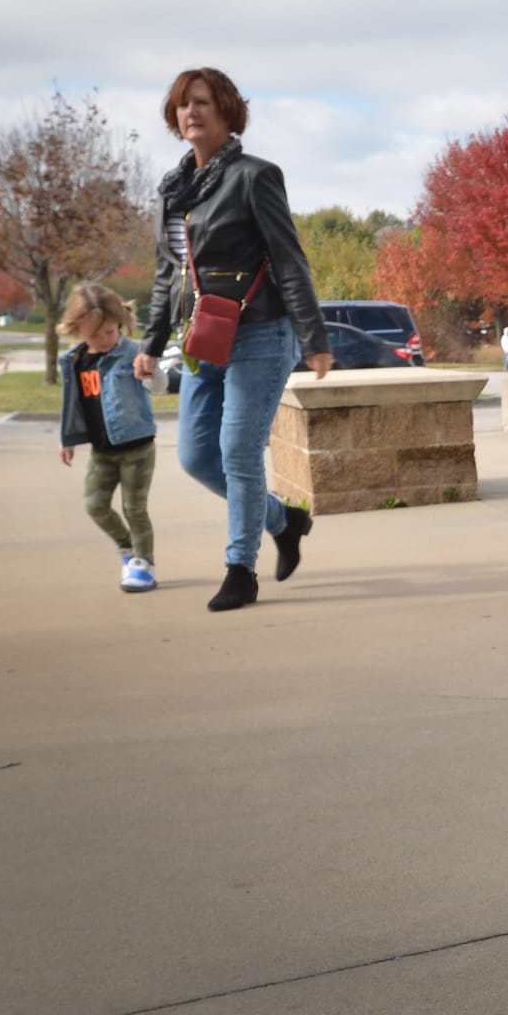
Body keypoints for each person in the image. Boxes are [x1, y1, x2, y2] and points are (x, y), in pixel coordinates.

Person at [132, 68, 333, 613]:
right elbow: (166, 275)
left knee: (238, 453)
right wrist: (150, 343)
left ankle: (240, 570)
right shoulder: (173, 190)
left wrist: (313, 336)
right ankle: (284, 520)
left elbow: (289, 259)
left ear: (226, 111)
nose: (191, 112)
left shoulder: (254, 176)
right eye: (182, 105)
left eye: (202, 102)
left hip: (261, 331)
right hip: (202, 338)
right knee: (198, 458)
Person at [58, 284, 158, 593]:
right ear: (78, 331)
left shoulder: (134, 353)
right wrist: (68, 440)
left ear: (121, 324)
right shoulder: (75, 361)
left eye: (111, 332)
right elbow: (74, 405)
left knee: (135, 508)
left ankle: (144, 566)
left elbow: (159, 384)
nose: (105, 340)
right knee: (94, 505)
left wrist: (152, 374)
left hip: (137, 447)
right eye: (96, 335)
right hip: (102, 451)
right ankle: (128, 548)